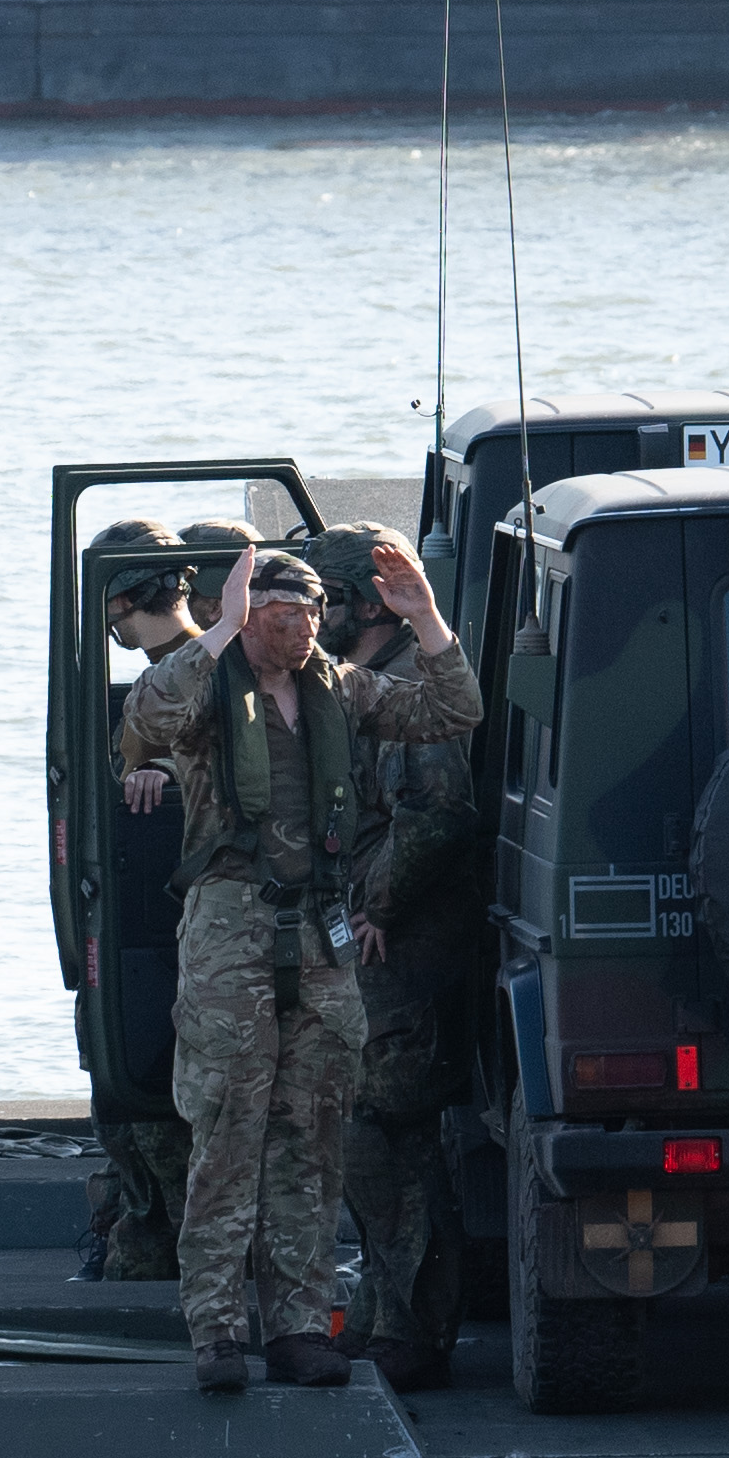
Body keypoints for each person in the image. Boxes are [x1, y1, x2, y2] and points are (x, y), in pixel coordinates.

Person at [118, 534, 478, 1391]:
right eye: (284, 615)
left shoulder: (340, 691)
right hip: (229, 931)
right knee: (227, 1133)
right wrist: (216, 632)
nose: (304, 630)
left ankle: (300, 1326)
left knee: (313, 1140)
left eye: (312, 612)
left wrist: (425, 618)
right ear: (251, 620)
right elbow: (143, 721)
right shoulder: (210, 691)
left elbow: (451, 712)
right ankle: (216, 1329)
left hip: (319, 935)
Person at [325, 526, 490, 1387]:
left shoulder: (409, 691)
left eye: (325, 600)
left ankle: (416, 1330)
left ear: (360, 603)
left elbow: (436, 818)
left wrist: (376, 903)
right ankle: (394, 1315)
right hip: (377, 940)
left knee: (395, 1135)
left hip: (408, 949)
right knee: (369, 1134)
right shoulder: (365, 688)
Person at [80, 524, 205, 1281]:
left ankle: (184, 1254)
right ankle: (149, 1235)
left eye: (111, 604)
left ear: (127, 596)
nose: (109, 622)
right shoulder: (176, 673)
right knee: (129, 1098)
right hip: (157, 923)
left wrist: (174, 785)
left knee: (164, 1107)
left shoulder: (207, 671)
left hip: (204, 928)